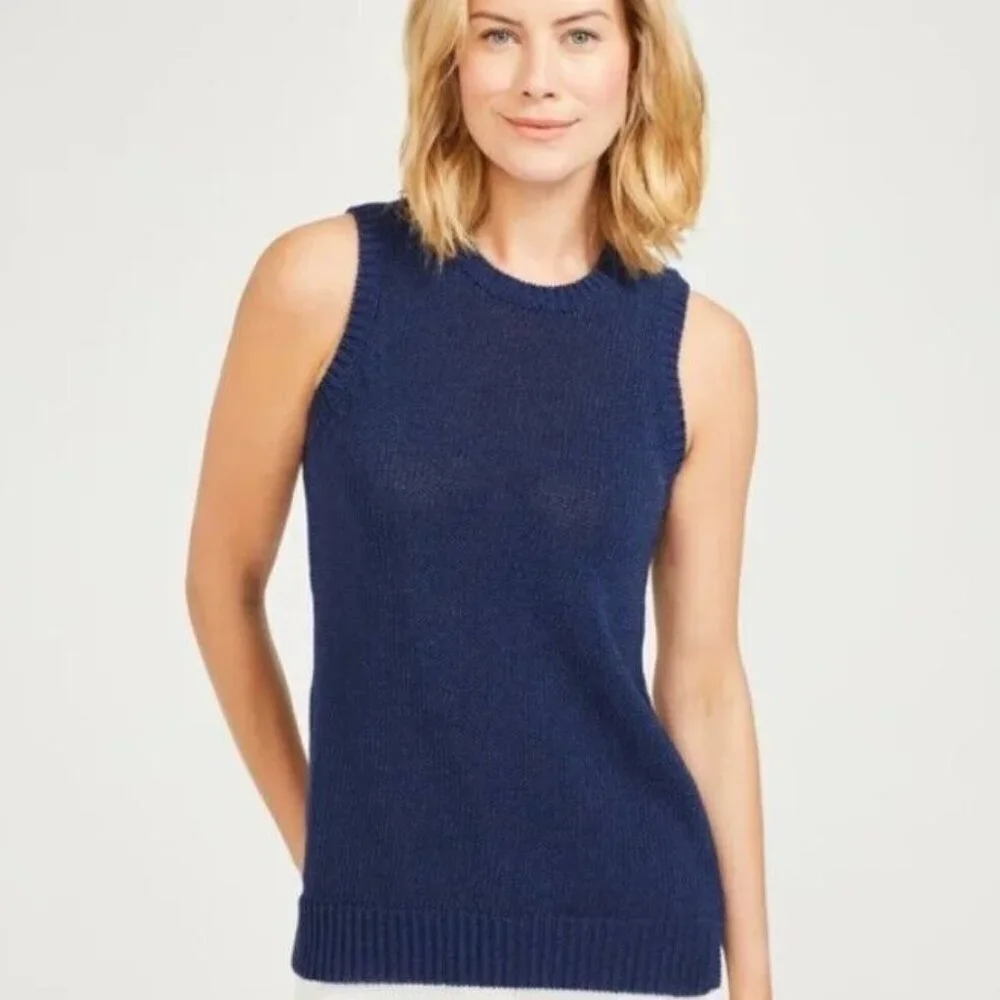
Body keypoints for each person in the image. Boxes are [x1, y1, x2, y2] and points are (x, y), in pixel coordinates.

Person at [185, 0, 771, 998]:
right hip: (380, 949)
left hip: (636, 931)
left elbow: (704, 681)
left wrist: (755, 980)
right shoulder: (323, 284)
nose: (537, 76)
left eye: (579, 34)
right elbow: (220, 583)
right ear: (449, 59)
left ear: (635, 61)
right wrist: (328, 850)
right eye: (498, 33)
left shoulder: (700, 352)